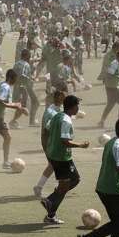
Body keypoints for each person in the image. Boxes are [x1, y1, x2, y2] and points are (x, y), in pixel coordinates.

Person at [43, 96, 90, 225]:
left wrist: (50, 144)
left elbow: (47, 128)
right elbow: (65, 141)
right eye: (77, 106)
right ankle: (51, 203)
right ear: (73, 107)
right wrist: (81, 145)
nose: (79, 108)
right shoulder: (66, 121)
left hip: (55, 154)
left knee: (72, 180)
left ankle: (51, 209)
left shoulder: (57, 116)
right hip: (61, 157)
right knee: (72, 182)